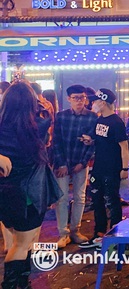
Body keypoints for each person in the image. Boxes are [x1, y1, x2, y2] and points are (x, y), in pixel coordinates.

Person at [0, 82, 60, 289]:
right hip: (28, 195)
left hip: (5, 193)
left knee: (20, 242)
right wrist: (42, 104)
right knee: (22, 244)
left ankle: (22, 283)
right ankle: (12, 285)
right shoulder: (39, 125)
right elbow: (47, 118)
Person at [79, 89, 129, 249]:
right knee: (97, 200)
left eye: (95, 101)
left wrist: (125, 168)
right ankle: (99, 234)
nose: (92, 104)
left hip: (112, 167)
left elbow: (124, 147)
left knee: (112, 201)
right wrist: (90, 141)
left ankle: (115, 235)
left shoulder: (116, 122)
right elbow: (99, 140)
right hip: (98, 166)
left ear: (103, 102)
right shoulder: (98, 120)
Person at [51, 84, 97, 248]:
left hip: (81, 162)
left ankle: (75, 231)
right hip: (62, 162)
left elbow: (92, 143)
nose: (80, 101)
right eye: (76, 98)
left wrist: (82, 163)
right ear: (69, 99)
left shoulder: (92, 117)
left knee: (80, 197)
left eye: (82, 98)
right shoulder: (61, 116)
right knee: (62, 198)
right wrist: (61, 163)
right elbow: (56, 142)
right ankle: (63, 233)